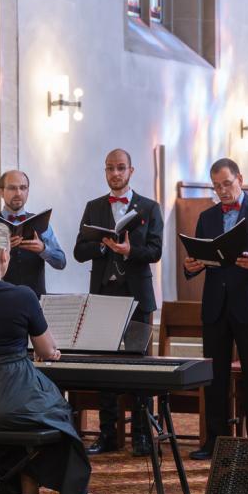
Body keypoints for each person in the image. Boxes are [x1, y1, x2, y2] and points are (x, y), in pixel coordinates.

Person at [0, 223, 91, 494]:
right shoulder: (22, 295)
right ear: (3, 256)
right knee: (57, 414)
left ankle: (12, 490)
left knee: (11, 426)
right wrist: (45, 354)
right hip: (13, 399)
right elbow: (47, 350)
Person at [182, 158, 248, 460]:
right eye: (216, 186)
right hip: (216, 305)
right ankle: (215, 440)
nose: (222, 191)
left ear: (239, 178)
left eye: (227, 184)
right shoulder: (207, 217)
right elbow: (200, 255)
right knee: (214, 377)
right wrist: (192, 266)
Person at [73, 148, 164, 456]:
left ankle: (141, 435)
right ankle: (107, 434)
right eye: (110, 168)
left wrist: (128, 252)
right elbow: (78, 250)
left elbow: (155, 251)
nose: (115, 173)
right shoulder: (94, 206)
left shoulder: (149, 208)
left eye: (121, 168)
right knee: (104, 366)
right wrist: (101, 247)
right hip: (103, 295)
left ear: (131, 171)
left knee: (140, 367)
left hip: (138, 295)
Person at [0, 169, 67, 297]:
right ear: (1, 192)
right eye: (12, 188)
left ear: (28, 191)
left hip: (35, 302)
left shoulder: (41, 222)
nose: (18, 193)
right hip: (0, 301)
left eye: (23, 188)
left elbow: (61, 262)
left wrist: (43, 249)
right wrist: (1, 251)